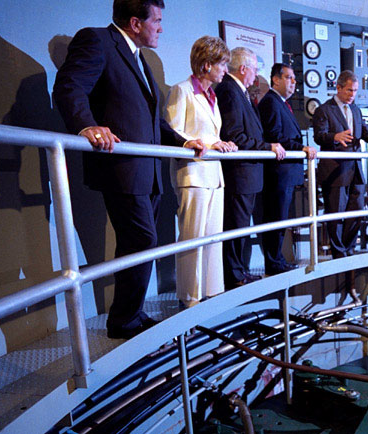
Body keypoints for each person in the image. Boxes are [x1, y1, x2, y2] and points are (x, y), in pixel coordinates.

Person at [53, 0, 205, 339]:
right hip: (121, 168)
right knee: (142, 239)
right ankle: (123, 320)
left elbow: (152, 121)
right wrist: (86, 126)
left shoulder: (139, 57)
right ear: (136, 23)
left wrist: (183, 142)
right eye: (158, 21)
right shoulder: (97, 41)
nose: (162, 28)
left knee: (137, 243)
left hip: (147, 172)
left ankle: (128, 316)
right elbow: (69, 87)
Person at [165, 36, 237, 308]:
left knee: (212, 239)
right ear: (207, 65)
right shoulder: (181, 90)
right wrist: (209, 144)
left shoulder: (212, 96)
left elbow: (210, 133)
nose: (225, 71)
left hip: (213, 176)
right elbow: (174, 133)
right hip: (192, 176)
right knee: (192, 240)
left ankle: (211, 293)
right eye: (222, 65)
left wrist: (222, 144)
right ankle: (190, 298)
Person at [215, 47, 286, 288]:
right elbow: (234, 135)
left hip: (249, 174)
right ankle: (234, 276)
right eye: (255, 69)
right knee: (236, 227)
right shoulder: (229, 90)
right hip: (240, 174)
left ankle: (239, 271)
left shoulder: (240, 91)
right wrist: (267, 146)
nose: (256, 75)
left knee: (242, 227)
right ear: (243, 68)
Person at [312, 70, 368, 258]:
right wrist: (334, 137)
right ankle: (338, 253)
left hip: (356, 171)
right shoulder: (324, 110)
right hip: (335, 172)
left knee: (357, 210)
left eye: (355, 91)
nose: (353, 95)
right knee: (335, 214)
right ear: (338, 88)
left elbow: (366, 134)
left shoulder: (355, 110)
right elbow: (319, 136)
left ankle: (348, 247)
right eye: (349, 91)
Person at [258, 63, 317, 275]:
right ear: (276, 79)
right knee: (276, 218)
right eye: (289, 77)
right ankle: (274, 262)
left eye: (294, 78)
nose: (294, 82)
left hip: (286, 174)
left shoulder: (282, 103)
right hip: (278, 174)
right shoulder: (271, 103)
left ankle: (277, 259)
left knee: (281, 219)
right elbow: (274, 136)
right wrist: (300, 147)